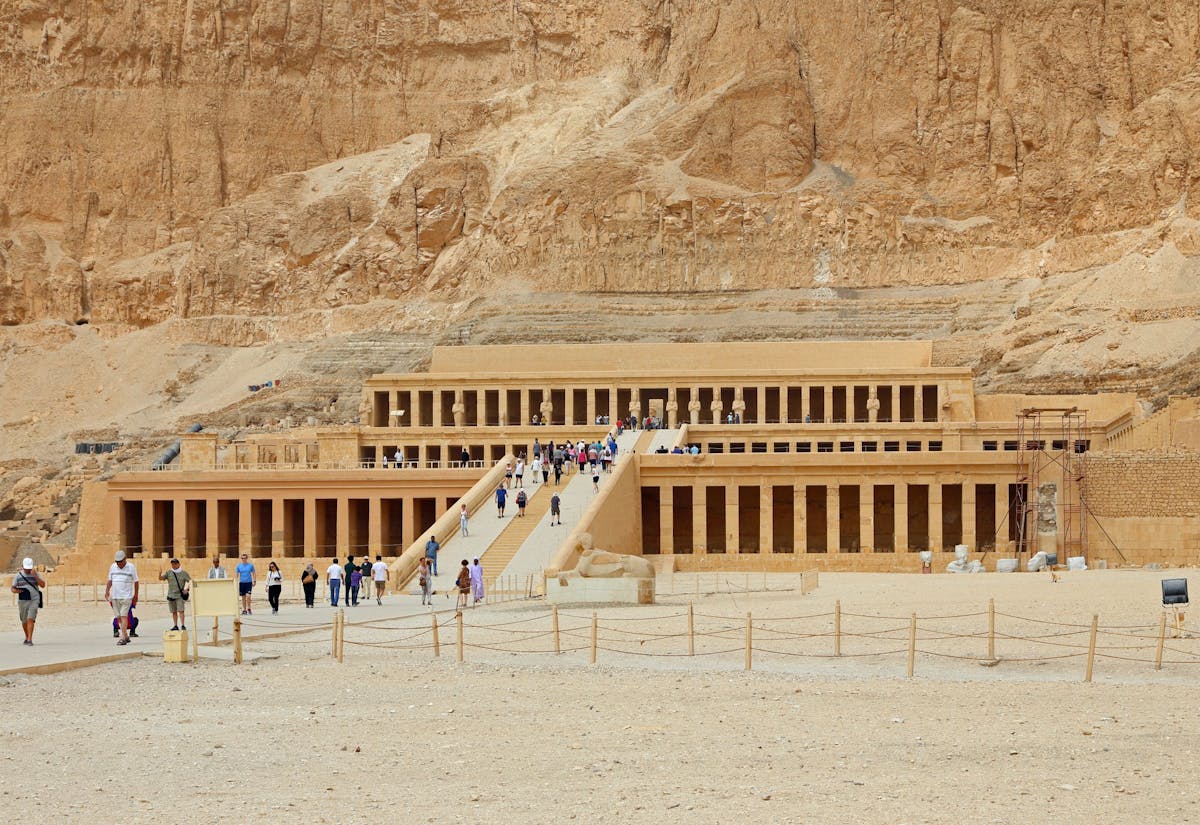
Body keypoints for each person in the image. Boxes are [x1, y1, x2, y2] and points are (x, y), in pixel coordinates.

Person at [105, 550, 139, 645]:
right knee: (119, 617)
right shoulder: (113, 567)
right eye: (117, 562)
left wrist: (136, 595)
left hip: (126, 596)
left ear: (125, 559)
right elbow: (110, 580)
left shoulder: (131, 567)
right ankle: (126, 635)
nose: (119, 564)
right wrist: (107, 591)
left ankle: (123, 637)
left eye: (120, 562)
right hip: (115, 596)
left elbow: (136, 581)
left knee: (124, 616)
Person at [11, 557, 44, 646]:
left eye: (29, 568)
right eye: (26, 568)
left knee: (30, 618)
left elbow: (43, 585)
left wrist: (35, 576)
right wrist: (17, 591)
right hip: (23, 600)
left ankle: (29, 639)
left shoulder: (36, 574)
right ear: (22, 566)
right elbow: (13, 588)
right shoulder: (18, 576)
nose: (28, 570)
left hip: (34, 599)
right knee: (24, 621)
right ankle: (26, 636)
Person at [159, 558, 191, 631]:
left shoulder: (183, 573)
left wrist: (187, 589)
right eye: (172, 564)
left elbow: (191, 582)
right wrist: (159, 573)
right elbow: (161, 578)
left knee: (181, 610)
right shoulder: (169, 572)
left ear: (179, 564)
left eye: (175, 563)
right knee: (174, 611)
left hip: (179, 595)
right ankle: (175, 625)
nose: (173, 565)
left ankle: (183, 625)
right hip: (171, 595)